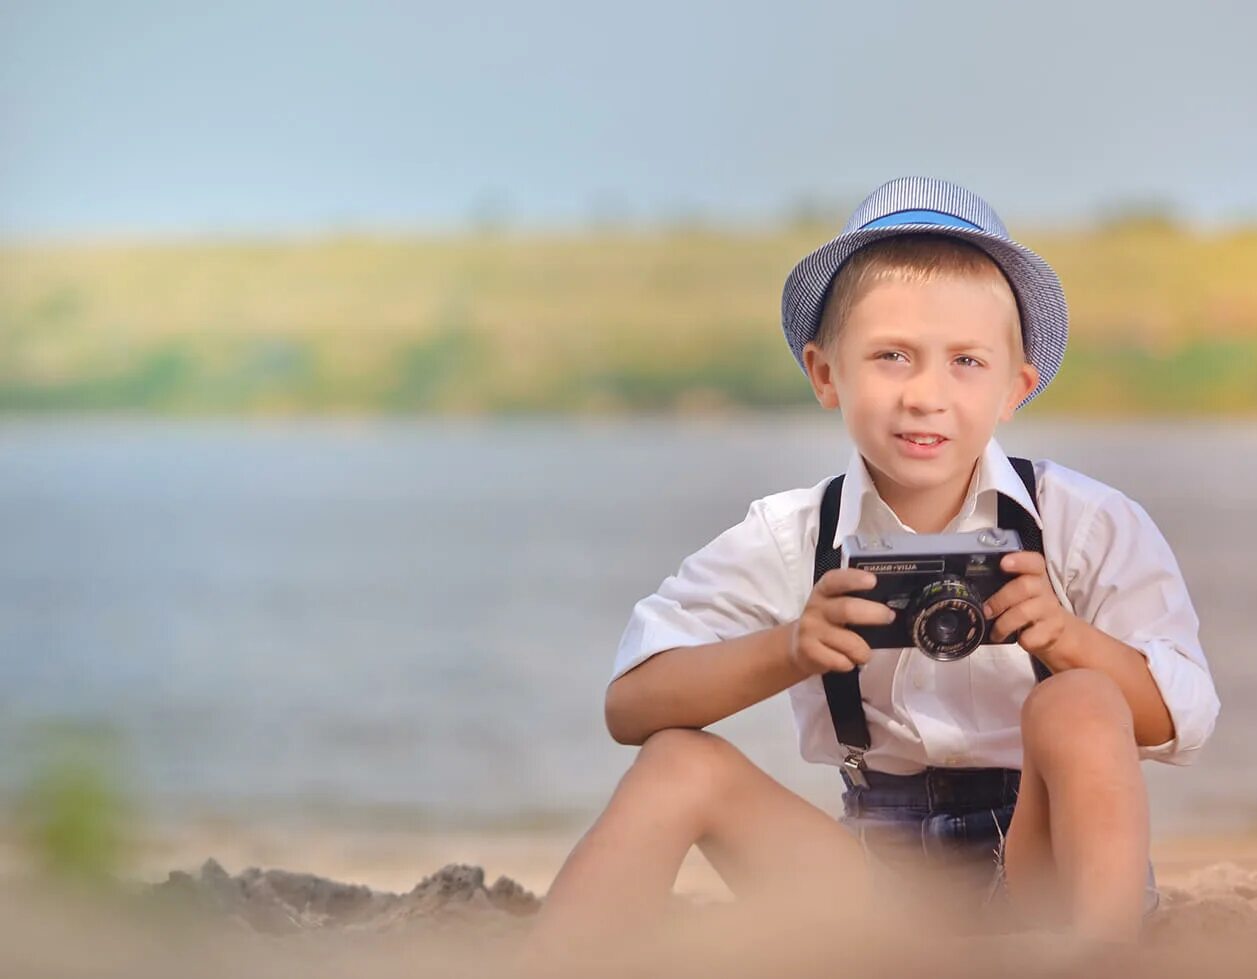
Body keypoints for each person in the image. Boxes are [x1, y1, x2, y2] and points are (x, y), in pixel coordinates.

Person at [516, 176, 1219, 966]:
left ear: (1015, 386)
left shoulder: (1081, 521)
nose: (926, 394)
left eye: (965, 361)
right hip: (879, 890)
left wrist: (1068, 638)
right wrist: (790, 647)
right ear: (825, 374)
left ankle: (1103, 957)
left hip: (1049, 866)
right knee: (680, 762)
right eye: (891, 356)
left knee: (1079, 699)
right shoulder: (792, 536)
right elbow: (631, 705)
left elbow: (1182, 718)